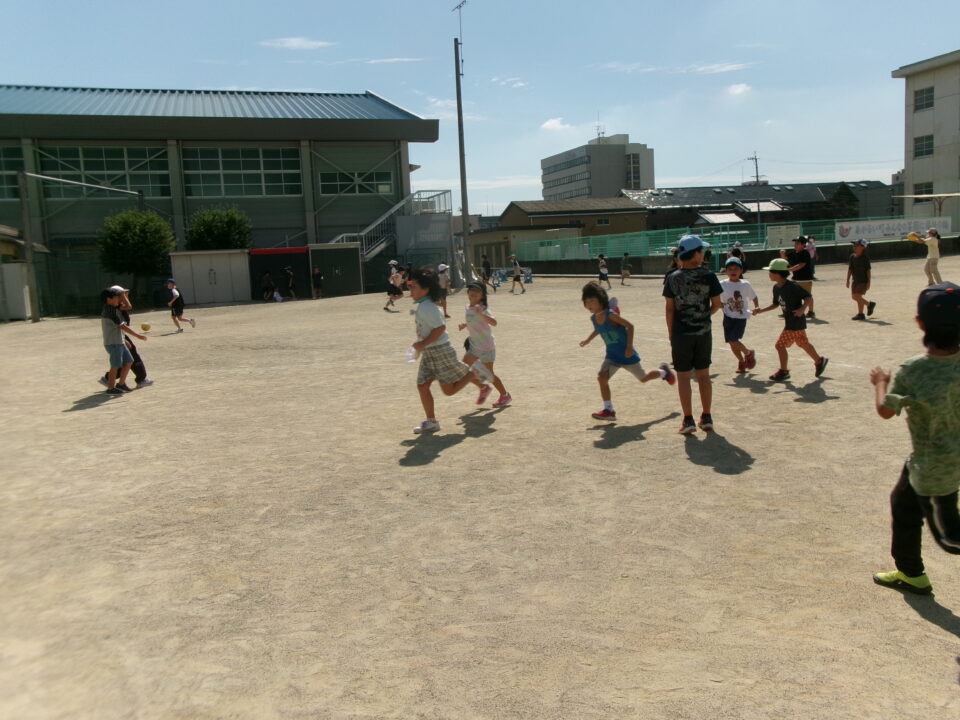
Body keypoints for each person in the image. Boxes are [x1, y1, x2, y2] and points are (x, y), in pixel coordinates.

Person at [869, 281, 960, 596]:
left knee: (951, 538)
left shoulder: (913, 370)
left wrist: (881, 382)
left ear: (920, 323)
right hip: (945, 458)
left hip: (933, 467)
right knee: (903, 504)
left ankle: (911, 572)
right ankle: (911, 573)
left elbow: (885, 410)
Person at [408, 266, 492, 434]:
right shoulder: (424, 306)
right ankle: (431, 421)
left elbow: (440, 328)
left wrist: (421, 344)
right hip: (430, 352)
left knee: (449, 391)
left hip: (440, 351)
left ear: (426, 289)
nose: (410, 290)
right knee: (422, 385)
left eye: (413, 287)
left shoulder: (428, 308)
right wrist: (421, 345)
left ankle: (474, 373)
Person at [581, 282, 674, 420]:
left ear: (601, 300)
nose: (589, 304)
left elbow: (630, 326)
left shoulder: (611, 315)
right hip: (612, 356)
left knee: (643, 378)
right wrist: (588, 339)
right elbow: (599, 329)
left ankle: (663, 372)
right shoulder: (594, 318)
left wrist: (629, 347)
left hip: (627, 356)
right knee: (602, 377)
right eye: (586, 302)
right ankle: (608, 410)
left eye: (592, 301)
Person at [662, 235, 723, 434]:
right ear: (696, 253)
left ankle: (687, 419)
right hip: (703, 332)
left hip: (681, 333)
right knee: (704, 375)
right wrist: (703, 315)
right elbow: (717, 304)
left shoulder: (672, 277)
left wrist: (671, 332)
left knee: (684, 377)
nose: (703, 253)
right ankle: (707, 417)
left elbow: (669, 309)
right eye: (701, 250)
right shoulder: (709, 276)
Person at [753, 258, 828, 382]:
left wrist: (802, 309)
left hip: (795, 321)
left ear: (778, 273)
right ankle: (819, 361)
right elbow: (775, 304)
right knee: (803, 343)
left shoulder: (792, 286)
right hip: (791, 321)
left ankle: (784, 371)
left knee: (779, 346)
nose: (769, 274)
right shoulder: (776, 288)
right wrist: (761, 310)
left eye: (770, 272)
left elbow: (808, 297)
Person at [458, 281, 511, 407]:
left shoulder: (483, 309)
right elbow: (473, 320)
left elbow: (494, 323)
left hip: (486, 347)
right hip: (474, 346)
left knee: (489, 375)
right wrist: (465, 325)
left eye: (477, 291)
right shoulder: (468, 307)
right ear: (468, 293)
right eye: (472, 290)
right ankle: (483, 387)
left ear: (482, 295)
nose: (473, 293)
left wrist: (481, 314)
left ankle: (505, 395)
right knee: (463, 369)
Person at [99, 285, 154, 389]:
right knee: (120, 363)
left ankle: (118, 383)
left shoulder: (115, 305)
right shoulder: (112, 308)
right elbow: (128, 309)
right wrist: (137, 335)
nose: (125, 295)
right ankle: (112, 385)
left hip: (120, 337)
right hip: (115, 340)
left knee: (128, 361)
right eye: (122, 294)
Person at [719, 257, 759, 374]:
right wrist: (718, 303)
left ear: (741, 270)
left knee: (733, 340)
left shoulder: (745, 284)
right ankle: (741, 362)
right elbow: (715, 296)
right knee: (731, 342)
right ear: (726, 271)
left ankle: (748, 353)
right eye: (730, 269)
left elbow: (753, 296)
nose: (733, 271)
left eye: (736, 269)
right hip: (727, 316)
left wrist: (756, 306)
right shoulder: (722, 284)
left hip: (741, 317)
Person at [780, 236, 815, 318]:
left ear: (803, 245)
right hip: (796, 279)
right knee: (792, 296)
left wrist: (789, 269)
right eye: (795, 243)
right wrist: (782, 254)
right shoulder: (793, 253)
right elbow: (785, 260)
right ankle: (789, 311)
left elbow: (801, 264)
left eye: (797, 243)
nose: (795, 244)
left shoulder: (805, 253)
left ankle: (811, 312)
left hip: (805, 279)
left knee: (807, 296)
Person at [846, 238, 877, 321]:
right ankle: (861, 314)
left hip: (863, 281)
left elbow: (868, 271)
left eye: (856, 245)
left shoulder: (865, 257)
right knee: (858, 297)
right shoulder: (852, 256)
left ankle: (869, 305)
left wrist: (869, 282)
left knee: (855, 296)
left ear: (863, 247)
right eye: (854, 245)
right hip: (855, 280)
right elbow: (850, 269)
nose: (854, 246)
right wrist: (847, 280)